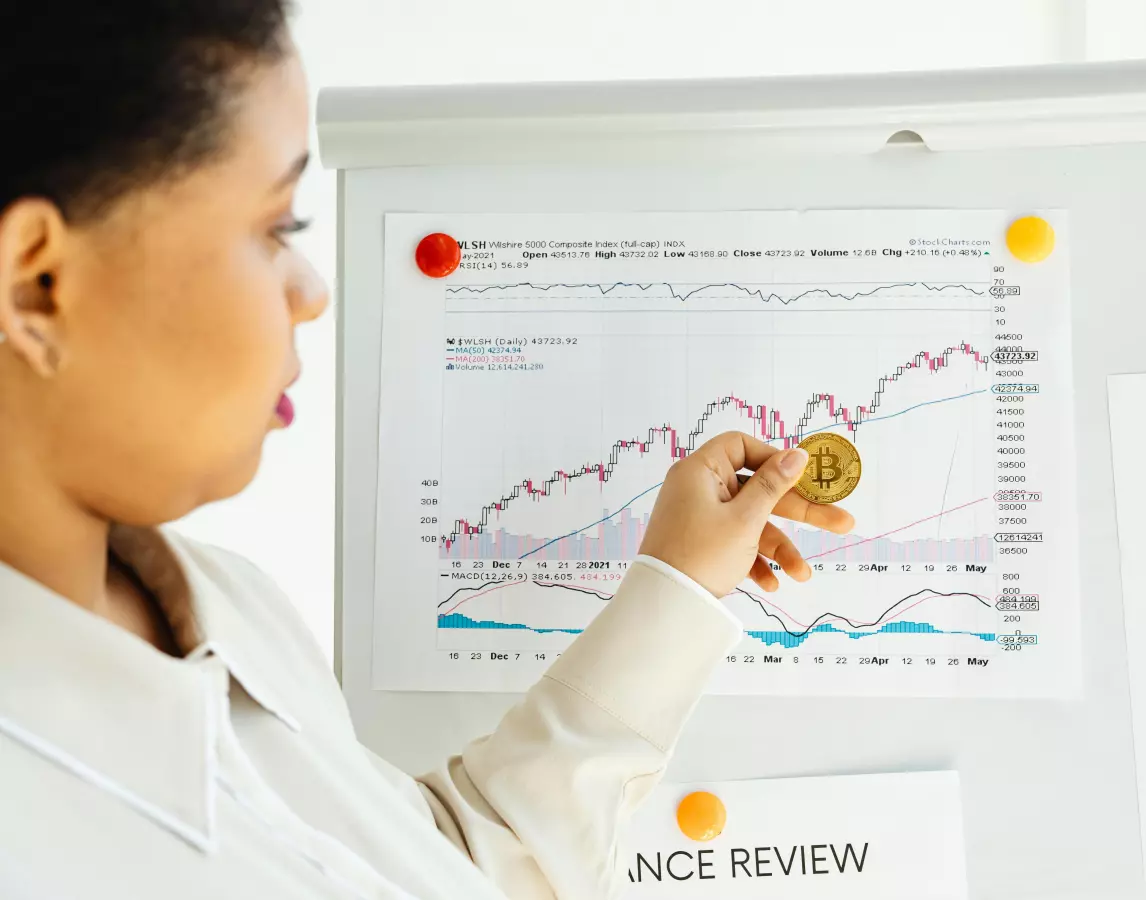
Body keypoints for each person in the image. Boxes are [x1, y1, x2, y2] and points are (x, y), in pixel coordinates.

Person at [0, 3, 854, 899]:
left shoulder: (223, 603)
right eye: (275, 227)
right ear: (38, 284)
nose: (315, 290)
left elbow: (445, 870)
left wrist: (676, 585)